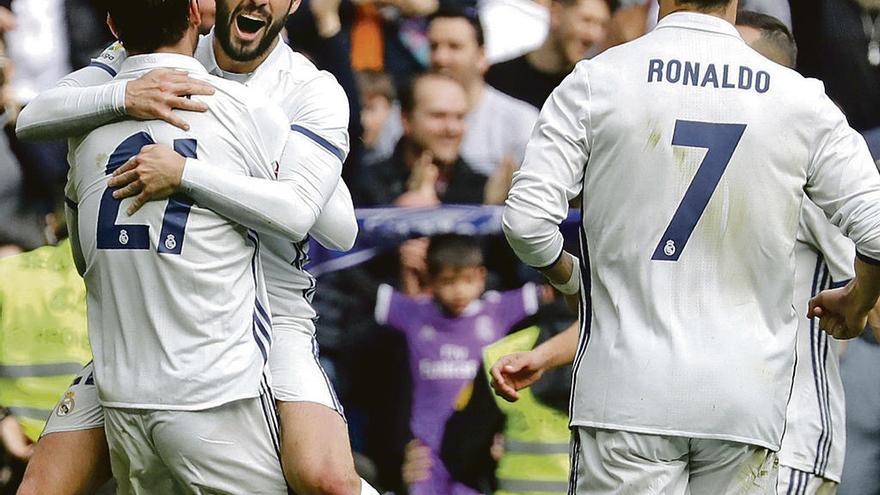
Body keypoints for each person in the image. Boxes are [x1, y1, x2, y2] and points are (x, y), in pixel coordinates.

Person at [494, 0, 880, 493]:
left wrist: (571, 278)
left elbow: (526, 223)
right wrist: (859, 299)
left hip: (625, 391)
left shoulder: (599, 78)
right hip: (747, 398)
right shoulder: (799, 98)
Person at [15, 0, 376, 494]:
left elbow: (334, 228)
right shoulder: (150, 54)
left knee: (329, 480)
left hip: (260, 316)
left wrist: (189, 174)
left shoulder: (305, 91)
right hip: (144, 312)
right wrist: (123, 96)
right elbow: (34, 116)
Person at [65, 0, 292, 493]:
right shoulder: (241, 108)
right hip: (215, 393)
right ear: (196, 12)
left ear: (111, 25)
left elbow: (82, 259)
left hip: (122, 396)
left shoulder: (82, 124)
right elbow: (304, 218)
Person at [735, 12, 851, 494]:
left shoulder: (814, 165)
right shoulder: (696, 164)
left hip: (787, 442)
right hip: (703, 435)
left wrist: (860, 304)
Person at [374, 234, 542, 495]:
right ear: (430, 280)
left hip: (478, 446)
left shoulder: (498, 309)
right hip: (427, 451)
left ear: (482, 276)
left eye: (468, 280)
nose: (459, 290)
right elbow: (349, 283)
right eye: (448, 282)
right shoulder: (415, 313)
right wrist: (398, 255)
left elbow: (556, 290)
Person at [440, 322, 575, 494]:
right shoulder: (613, 349)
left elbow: (460, 450)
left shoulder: (503, 353)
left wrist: (489, 475)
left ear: (547, 293)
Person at [355, 72, 487, 207]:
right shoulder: (364, 185)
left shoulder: (482, 190)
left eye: (460, 117)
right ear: (406, 120)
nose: (452, 128)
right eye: (438, 116)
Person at [484, 0, 612, 108]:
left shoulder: (590, 93)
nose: (594, 35)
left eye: (602, 26)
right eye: (586, 21)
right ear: (555, 14)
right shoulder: (497, 79)